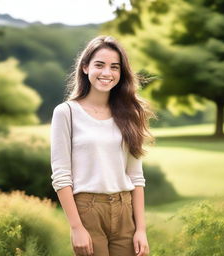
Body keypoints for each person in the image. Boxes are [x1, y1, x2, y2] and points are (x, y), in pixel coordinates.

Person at [50, 35, 155, 256]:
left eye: (114, 67)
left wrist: (141, 230)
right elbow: (61, 176)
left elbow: (136, 176)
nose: (107, 73)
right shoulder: (66, 112)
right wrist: (76, 227)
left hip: (125, 209)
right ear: (86, 67)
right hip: (87, 209)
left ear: (121, 73)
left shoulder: (131, 114)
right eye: (100, 65)